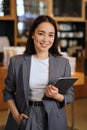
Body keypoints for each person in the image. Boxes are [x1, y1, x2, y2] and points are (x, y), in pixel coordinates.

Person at [3, 15, 74, 130]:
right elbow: (8, 92)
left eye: (51, 35)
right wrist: (16, 116)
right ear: (32, 35)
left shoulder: (63, 63)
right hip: (25, 115)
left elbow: (70, 95)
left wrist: (57, 96)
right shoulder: (17, 62)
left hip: (54, 117)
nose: (46, 39)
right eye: (41, 33)